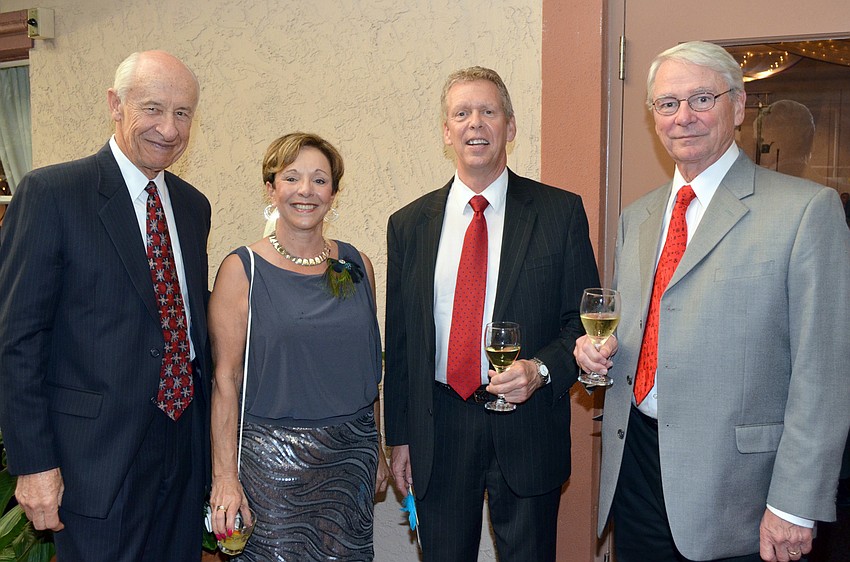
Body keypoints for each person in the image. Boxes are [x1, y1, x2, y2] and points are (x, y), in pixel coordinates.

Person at [574, 41, 850, 562]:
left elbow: (825, 374)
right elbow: (642, 328)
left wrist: (794, 504)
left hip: (741, 491)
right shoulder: (639, 217)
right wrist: (595, 357)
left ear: (739, 107)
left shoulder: (805, 212)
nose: (684, 117)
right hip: (636, 469)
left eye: (702, 99)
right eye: (668, 103)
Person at [0, 51, 211, 561]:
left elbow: (186, 324)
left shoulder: (192, 206)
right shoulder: (52, 194)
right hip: (93, 461)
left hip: (183, 451)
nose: (168, 128)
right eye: (153, 108)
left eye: (182, 113)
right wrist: (34, 464)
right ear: (115, 105)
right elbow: (16, 340)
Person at [384, 66, 599, 561]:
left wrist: (541, 371)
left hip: (527, 425)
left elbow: (582, 325)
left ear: (510, 126)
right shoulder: (409, 225)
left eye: (488, 111)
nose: (475, 123)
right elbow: (402, 344)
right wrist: (400, 438)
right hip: (439, 428)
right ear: (446, 131)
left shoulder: (559, 212)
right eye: (462, 113)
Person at [208, 132, 390, 560]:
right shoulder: (241, 269)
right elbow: (225, 380)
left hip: (352, 459)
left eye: (319, 180)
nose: (306, 190)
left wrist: (377, 446)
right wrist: (225, 478)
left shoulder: (357, 264)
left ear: (334, 192)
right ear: (271, 189)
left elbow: (370, 368)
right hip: (271, 464)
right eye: (291, 178)